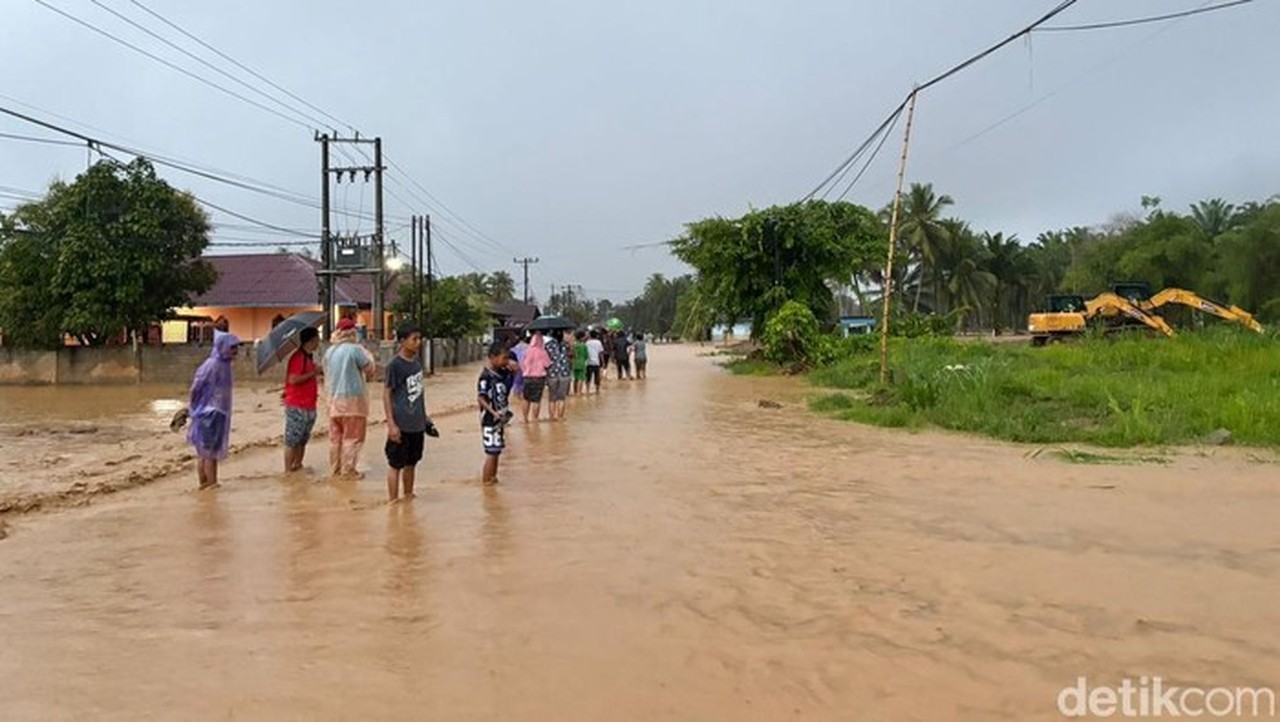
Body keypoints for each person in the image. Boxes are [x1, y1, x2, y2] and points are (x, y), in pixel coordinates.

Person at [383, 324, 439, 502]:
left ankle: (408, 495)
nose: (418, 342)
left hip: (417, 423)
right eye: (414, 339)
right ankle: (393, 501)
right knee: (395, 464)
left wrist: (425, 418)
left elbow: (418, 394)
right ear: (402, 341)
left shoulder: (416, 364)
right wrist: (391, 424)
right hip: (401, 423)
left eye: (419, 338)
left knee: (412, 463)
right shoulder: (395, 366)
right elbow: (386, 395)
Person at [187, 332, 240, 490]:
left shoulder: (224, 365)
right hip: (210, 413)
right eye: (233, 348)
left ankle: (206, 484)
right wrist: (194, 407)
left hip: (217, 412)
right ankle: (211, 483)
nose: (235, 352)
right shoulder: (212, 365)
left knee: (206, 452)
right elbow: (195, 387)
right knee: (209, 452)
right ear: (223, 347)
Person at [324, 318, 374, 479]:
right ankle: (348, 470)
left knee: (335, 438)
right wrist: (367, 354)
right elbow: (369, 369)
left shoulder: (329, 352)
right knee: (352, 437)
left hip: (333, 402)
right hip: (353, 402)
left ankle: (334, 469)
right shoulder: (355, 350)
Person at [282, 327, 322, 473]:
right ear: (311, 340)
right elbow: (293, 379)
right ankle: (287, 471)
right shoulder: (298, 357)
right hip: (297, 404)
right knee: (292, 439)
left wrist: (315, 371)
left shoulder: (308, 357)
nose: (319, 342)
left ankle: (297, 465)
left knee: (303, 439)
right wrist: (313, 373)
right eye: (317, 338)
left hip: (309, 403)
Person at [477, 342, 517, 485]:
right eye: (503, 358)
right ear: (492, 357)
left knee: (497, 451)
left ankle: (493, 478)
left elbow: (512, 380)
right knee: (491, 452)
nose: (505, 361)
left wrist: (513, 368)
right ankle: (486, 482)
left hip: (500, 417)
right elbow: (481, 398)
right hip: (489, 418)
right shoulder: (485, 376)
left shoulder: (502, 373)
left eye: (507, 358)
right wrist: (493, 412)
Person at [520, 331, 551, 422]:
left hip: (527, 377)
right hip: (539, 378)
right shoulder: (543, 352)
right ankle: (535, 418)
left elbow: (522, 363)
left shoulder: (527, 351)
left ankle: (525, 418)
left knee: (526, 399)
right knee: (536, 400)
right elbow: (547, 364)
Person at [544, 329, 573, 420]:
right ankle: (560, 417)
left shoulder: (548, 345)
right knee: (562, 398)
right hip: (565, 374)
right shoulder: (566, 345)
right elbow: (572, 356)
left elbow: (545, 359)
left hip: (552, 373)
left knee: (552, 398)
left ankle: (552, 417)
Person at [571, 330, 589, 395]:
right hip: (581, 363)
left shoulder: (573, 345)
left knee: (575, 378)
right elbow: (586, 356)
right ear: (581, 337)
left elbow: (572, 355)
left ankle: (575, 391)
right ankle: (579, 392)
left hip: (574, 363)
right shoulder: (583, 346)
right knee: (581, 378)